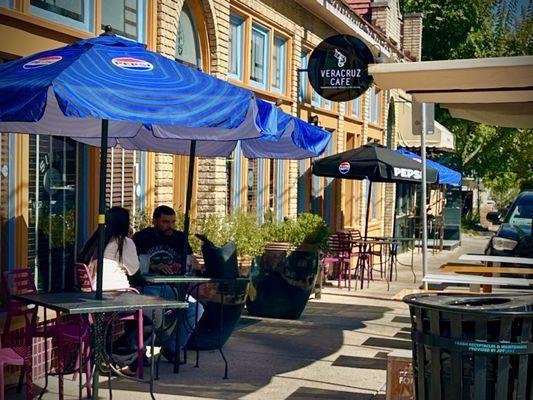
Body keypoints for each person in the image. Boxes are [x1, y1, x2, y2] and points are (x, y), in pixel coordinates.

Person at [78, 206, 148, 375]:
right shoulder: (124, 242)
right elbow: (135, 271)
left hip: (90, 298)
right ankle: (116, 357)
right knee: (152, 319)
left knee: (139, 317)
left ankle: (117, 356)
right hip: (114, 296)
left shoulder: (96, 240)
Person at [133, 205, 203, 359]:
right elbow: (132, 264)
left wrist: (182, 264)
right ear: (155, 221)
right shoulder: (142, 237)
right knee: (152, 311)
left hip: (172, 287)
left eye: (173, 222)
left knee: (196, 309)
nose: (170, 226)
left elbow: (193, 262)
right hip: (147, 287)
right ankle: (138, 352)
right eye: (165, 222)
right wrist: (153, 266)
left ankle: (172, 348)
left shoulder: (179, 238)